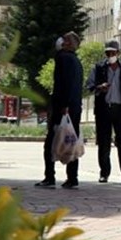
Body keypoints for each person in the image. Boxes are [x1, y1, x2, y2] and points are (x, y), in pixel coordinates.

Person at [36, 31, 84, 189]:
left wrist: (63, 106)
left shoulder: (63, 58)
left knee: (50, 142)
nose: (60, 41)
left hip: (63, 108)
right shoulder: (77, 61)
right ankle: (72, 177)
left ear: (68, 43)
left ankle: (49, 177)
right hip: (75, 107)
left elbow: (65, 84)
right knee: (72, 140)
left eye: (64, 39)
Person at [86, 40, 121, 184]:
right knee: (104, 143)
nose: (110, 55)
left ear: (118, 53)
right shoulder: (99, 67)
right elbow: (89, 85)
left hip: (120, 109)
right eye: (108, 53)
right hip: (103, 109)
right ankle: (104, 173)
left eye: (113, 53)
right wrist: (99, 87)